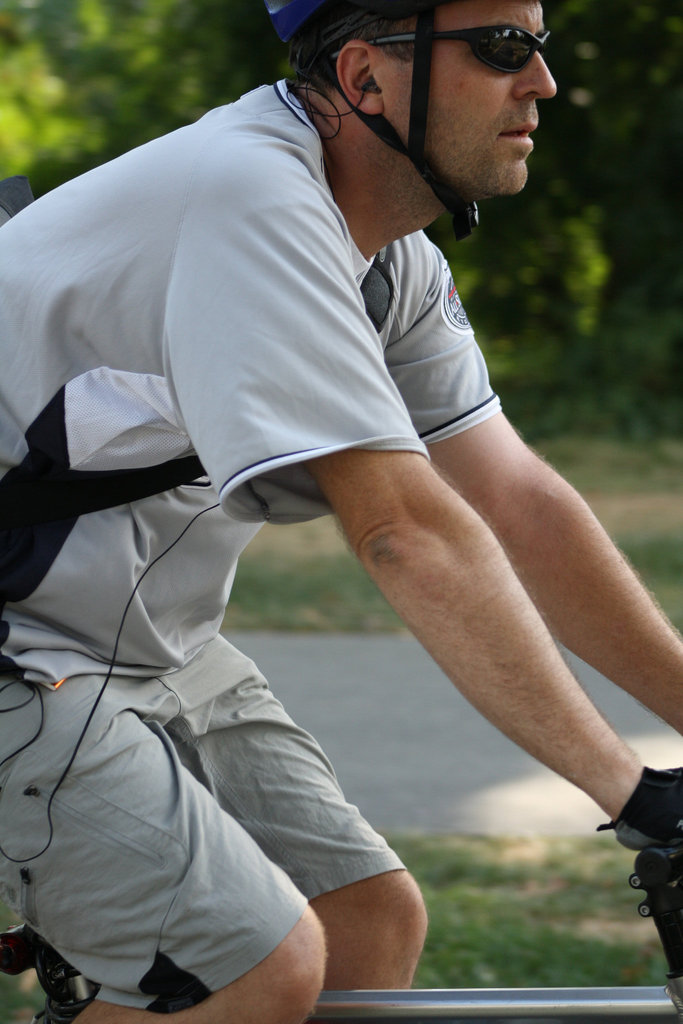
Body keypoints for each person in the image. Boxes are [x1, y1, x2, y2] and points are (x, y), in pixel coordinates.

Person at [0, 0, 682, 1020]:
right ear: (364, 79)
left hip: (142, 642)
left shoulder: (383, 255)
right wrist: (632, 795)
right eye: (501, 48)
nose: (539, 81)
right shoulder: (251, 199)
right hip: (24, 642)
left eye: (537, 46)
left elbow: (513, 500)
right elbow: (404, 531)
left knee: (364, 917)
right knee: (251, 966)